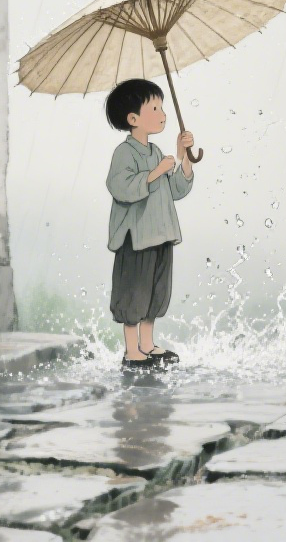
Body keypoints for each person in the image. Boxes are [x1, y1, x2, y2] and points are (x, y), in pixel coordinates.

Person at [103, 78, 195, 370]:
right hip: (137, 238)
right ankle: (132, 351)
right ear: (133, 119)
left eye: (161, 107)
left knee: (156, 292)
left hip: (161, 234)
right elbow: (120, 188)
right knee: (135, 292)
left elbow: (175, 190)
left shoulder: (156, 152)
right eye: (154, 108)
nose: (162, 114)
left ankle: (147, 344)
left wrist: (184, 159)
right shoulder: (124, 153)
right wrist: (156, 172)